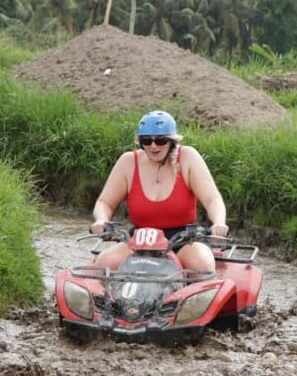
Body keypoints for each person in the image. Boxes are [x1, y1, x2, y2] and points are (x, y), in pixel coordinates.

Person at [90, 110, 228, 272]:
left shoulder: (188, 158)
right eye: (147, 141)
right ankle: (106, 296)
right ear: (140, 142)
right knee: (103, 264)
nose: (153, 146)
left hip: (183, 239)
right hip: (141, 239)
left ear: (172, 141)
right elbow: (105, 202)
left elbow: (212, 199)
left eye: (160, 141)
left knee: (201, 266)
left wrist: (219, 222)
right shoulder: (128, 162)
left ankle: (192, 295)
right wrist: (101, 220)